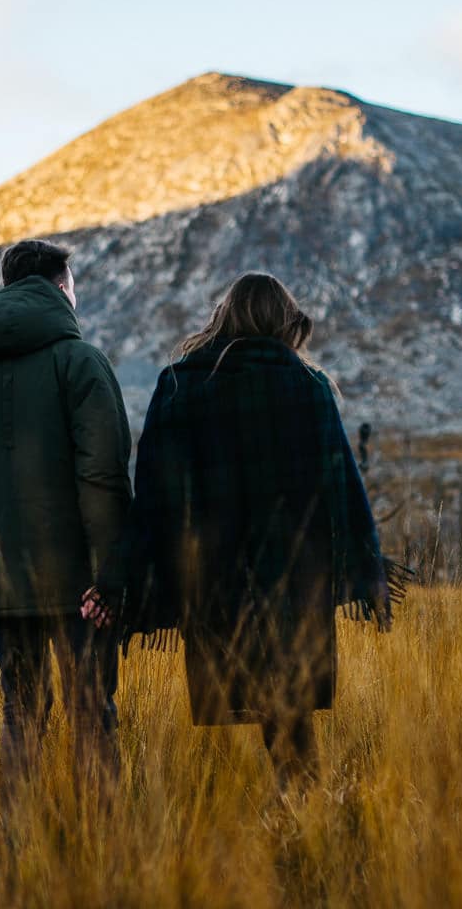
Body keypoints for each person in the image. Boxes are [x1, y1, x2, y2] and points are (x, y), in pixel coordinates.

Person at [82, 272, 405, 791]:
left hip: (214, 586)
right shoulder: (308, 387)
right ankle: (302, 821)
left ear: (223, 317)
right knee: (289, 710)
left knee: (252, 699)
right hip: (294, 585)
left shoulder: (182, 384)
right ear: (284, 321)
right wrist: (363, 569)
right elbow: (341, 485)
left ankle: (285, 820)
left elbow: (155, 499)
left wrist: (119, 578)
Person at [0, 239, 133, 797]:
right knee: (92, 714)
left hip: (3, 583)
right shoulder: (82, 363)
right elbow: (105, 476)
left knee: (20, 716)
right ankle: (101, 852)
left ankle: (18, 848)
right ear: (62, 285)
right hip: (82, 589)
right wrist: (111, 576)